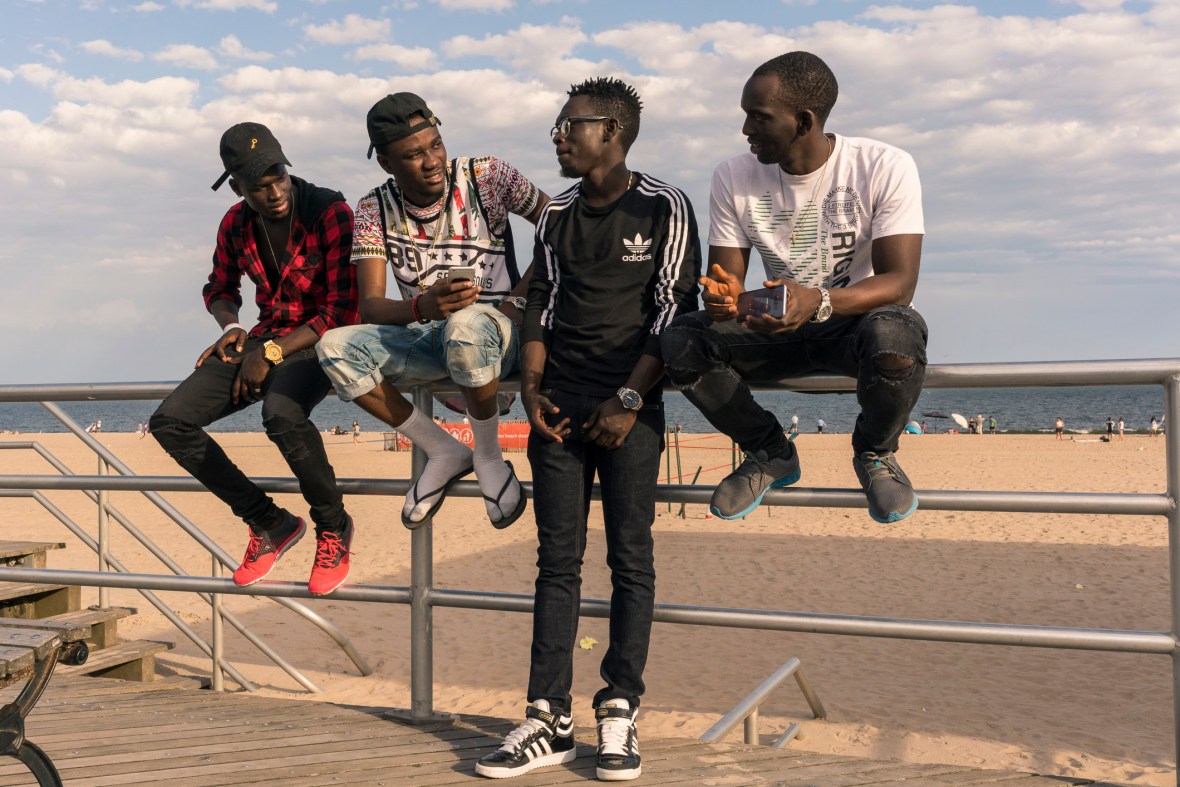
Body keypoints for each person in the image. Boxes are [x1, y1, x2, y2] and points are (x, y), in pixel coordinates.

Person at [475, 77, 701, 782]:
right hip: (559, 407)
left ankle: (621, 706)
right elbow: (538, 306)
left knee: (631, 558)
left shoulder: (665, 205)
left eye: (569, 124)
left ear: (613, 131)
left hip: (630, 406)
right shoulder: (557, 215)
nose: (558, 136)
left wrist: (631, 396)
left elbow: (673, 311)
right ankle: (549, 717)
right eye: (559, 124)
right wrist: (533, 390)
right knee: (557, 561)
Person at [660, 51, 927, 525]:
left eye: (758, 118)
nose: (746, 130)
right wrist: (722, 298)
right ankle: (770, 451)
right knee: (683, 339)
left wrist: (819, 301)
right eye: (745, 116)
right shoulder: (733, 175)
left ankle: (875, 453)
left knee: (897, 334)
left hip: (852, 328)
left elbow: (899, 284)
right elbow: (728, 284)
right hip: (775, 327)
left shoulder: (884, 165)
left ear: (803, 120)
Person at [316, 93, 547, 531]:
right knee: (334, 348)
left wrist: (517, 301)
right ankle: (443, 450)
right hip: (431, 340)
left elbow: (561, 226)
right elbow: (370, 306)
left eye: (436, 145)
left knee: (466, 326)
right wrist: (423, 305)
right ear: (387, 164)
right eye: (414, 154)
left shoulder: (487, 176)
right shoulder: (372, 208)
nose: (432, 160)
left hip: (500, 335)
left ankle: (488, 456)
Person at [150, 122, 359, 596]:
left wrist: (269, 352)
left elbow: (343, 312)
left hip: (323, 342)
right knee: (170, 422)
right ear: (238, 188)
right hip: (265, 339)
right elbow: (220, 288)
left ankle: (333, 528)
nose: (275, 192)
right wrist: (232, 328)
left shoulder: (331, 211)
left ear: (287, 167)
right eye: (259, 187)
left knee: (281, 415)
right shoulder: (235, 222)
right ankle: (269, 523)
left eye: (279, 177)